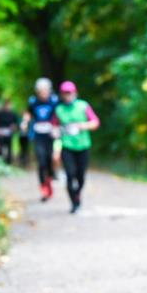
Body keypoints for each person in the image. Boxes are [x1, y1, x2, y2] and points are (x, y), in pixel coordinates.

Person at [51, 80, 99, 214]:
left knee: (80, 176)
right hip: (67, 146)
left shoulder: (83, 106)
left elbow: (95, 122)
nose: (67, 96)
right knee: (70, 174)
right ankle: (74, 203)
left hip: (83, 145)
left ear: (75, 93)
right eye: (64, 93)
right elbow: (54, 128)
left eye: (69, 93)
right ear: (61, 95)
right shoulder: (59, 109)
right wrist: (56, 145)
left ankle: (78, 194)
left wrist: (81, 126)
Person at [23, 77, 59, 202]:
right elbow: (28, 113)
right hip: (38, 135)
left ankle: (50, 180)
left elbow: (58, 114)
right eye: (41, 91)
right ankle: (43, 188)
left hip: (51, 135)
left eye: (45, 90)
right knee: (41, 160)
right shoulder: (33, 102)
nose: (43, 93)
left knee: (50, 159)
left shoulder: (54, 101)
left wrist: (56, 127)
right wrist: (25, 121)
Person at [0, 99, 19, 165]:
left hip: (9, 132)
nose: (8, 106)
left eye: (10, 105)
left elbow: (15, 123)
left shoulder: (13, 114)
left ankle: (8, 162)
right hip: (1, 132)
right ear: (4, 105)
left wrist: (14, 127)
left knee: (9, 147)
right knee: (0, 147)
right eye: (7, 105)